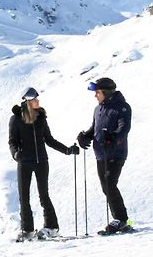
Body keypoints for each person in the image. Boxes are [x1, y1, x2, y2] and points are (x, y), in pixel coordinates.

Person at [9, 87, 79, 241]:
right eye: (35, 100)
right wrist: (15, 154)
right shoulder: (16, 119)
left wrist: (67, 150)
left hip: (41, 161)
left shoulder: (41, 118)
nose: (38, 102)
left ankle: (52, 227)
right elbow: (12, 140)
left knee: (44, 195)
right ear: (28, 101)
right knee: (24, 197)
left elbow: (49, 140)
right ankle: (27, 230)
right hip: (24, 162)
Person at [77, 77, 132, 234]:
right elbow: (94, 128)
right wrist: (84, 136)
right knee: (106, 187)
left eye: (97, 92)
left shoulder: (122, 107)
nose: (95, 96)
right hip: (101, 154)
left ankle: (121, 220)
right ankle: (123, 220)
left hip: (116, 153)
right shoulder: (98, 109)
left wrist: (113, 137)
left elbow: (124, 128)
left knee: (109, 185)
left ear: (106, 93)